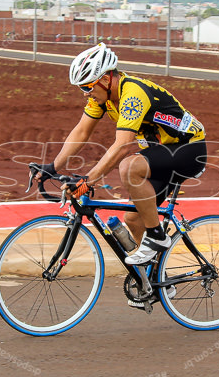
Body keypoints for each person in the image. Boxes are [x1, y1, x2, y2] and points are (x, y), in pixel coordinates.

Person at [39, 41, 207, 273]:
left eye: (88, 87)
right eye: (82, 89)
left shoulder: (133, 94)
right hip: (161, 153)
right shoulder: (104, 97)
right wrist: (52, 167)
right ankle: (157, 281)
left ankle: (157, 236)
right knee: (134, 220)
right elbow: (81, 131)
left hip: (189, 149)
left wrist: (89, 180)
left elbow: (122, 146)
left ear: (106, 79)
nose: (86, 93)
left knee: (129, 165)